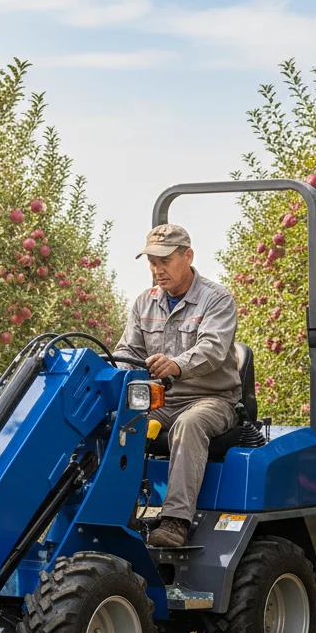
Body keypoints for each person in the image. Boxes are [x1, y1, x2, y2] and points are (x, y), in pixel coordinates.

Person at [114, 224, 242, 547]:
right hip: (162, 400)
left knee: (188, 425)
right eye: (152, 263)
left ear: (188, 257)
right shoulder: (145, 303)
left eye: (165, 261)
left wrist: (177, 365)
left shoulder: (216, 300)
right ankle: (117, 515)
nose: (158, 270)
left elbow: (212, 350)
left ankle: (175, 522)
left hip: (211, 399)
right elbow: (128, 353)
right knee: (120, 424)